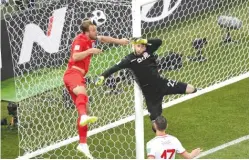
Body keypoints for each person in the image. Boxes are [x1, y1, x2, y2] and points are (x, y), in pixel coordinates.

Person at [95, 38, 197, 131]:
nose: (141, 48)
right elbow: (114, 68)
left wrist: (145, 40)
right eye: (139, 46)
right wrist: (103, 76)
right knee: (155, 125)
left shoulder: (149, 50)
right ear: (134, 46)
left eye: (143, 46)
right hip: (150, 95)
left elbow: (159, 42)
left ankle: (199, 90)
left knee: (191, 88)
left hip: (163, 84)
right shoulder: (128, 59)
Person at [63, 19, 129, 158]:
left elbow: (104, 38)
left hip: (80, 76)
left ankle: (82, 144)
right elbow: (75, 56)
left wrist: (120, 41)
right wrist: (90, 51)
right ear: (86, 32)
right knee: (82, 94)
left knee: (85, 109)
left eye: (95, 29)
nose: (96, 32)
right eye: (93, 30)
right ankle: (84, 118)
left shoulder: (91, 38)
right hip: (72, 73)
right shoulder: (80, 40)